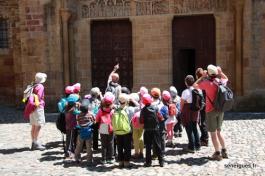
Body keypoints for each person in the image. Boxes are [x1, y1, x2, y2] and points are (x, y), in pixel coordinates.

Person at [196, 65, 229, 160]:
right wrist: (220, 72)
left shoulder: (206, 83)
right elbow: (226, 78)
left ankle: (217, 153)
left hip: (211, 110)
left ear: (208, 74)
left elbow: (194, 85)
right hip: (220, 110)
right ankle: (224, 150)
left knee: (213, 134)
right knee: (219, 131)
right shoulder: (220, 82)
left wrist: (202, 77)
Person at [140, 94, 164, 167]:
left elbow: (141, 121)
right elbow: (161, 118)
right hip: (155, 129)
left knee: (148, 146)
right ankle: (161, 162)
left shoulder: (143, 110)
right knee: (158, 145)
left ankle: (148, 162)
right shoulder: (156, 108)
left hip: (147, 130)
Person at [180, 75, 201, 153]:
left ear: (186, 83)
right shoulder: (197, 90)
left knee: (189, 128)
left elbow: (182, 103)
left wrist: (181, 111)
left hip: (187, 111)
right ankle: (198, 145)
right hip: (195, 110)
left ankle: (191, 147)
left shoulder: (185, 92)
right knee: (195, 127)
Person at [112, 93, 132, 168]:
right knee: (127, 147)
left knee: (119, 147)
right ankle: (126, 162)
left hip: (117, 131)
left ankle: (120, 162)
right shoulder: (129, 109)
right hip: (127, 131)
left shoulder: (116, 109)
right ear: (127, 101)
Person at [96, 92, 115, 164]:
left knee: (103, 144)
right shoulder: (112, 111)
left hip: (103, 126)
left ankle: (103, 159)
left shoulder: (100, 110)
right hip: (110, 126)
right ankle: (111, 158)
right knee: (110, 143)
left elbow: (97, 119)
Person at [74, 99, 95, 166]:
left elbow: (78, 123)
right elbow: (94, 121)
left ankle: (77, 158)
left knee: (79, 146)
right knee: (89, 147)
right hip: (89, 132)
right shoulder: (91, 114)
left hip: (81, 132)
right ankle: (89, 160)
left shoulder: (78, 115)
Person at [30, 72, 47, 150]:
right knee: (38, 125)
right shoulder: (40, 86)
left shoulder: (33, 85)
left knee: (34, 125)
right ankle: (36, 143)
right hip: (38, 107)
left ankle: (34, 142)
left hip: (31, 107)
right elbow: (39, 97)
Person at [195, 68, 209, 146]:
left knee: (202, 122)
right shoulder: (206, 82)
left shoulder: (201, 83)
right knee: (203, 122)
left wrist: (201, 78)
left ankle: (205, 139)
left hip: (202, 105)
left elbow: (194, 85)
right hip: (206, 104)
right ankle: (203, 137)